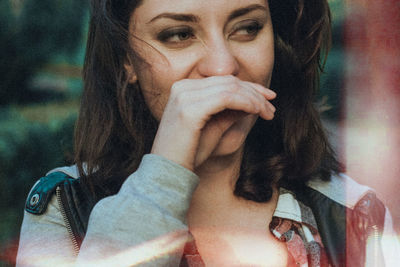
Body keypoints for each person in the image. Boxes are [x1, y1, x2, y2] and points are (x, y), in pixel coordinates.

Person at [16, 0, 399, 266]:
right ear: (126, 61)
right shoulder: (63, 207)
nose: (222, 67)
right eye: (179, 34)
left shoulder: (353, 214)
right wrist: (165, 169)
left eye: (248, 28)